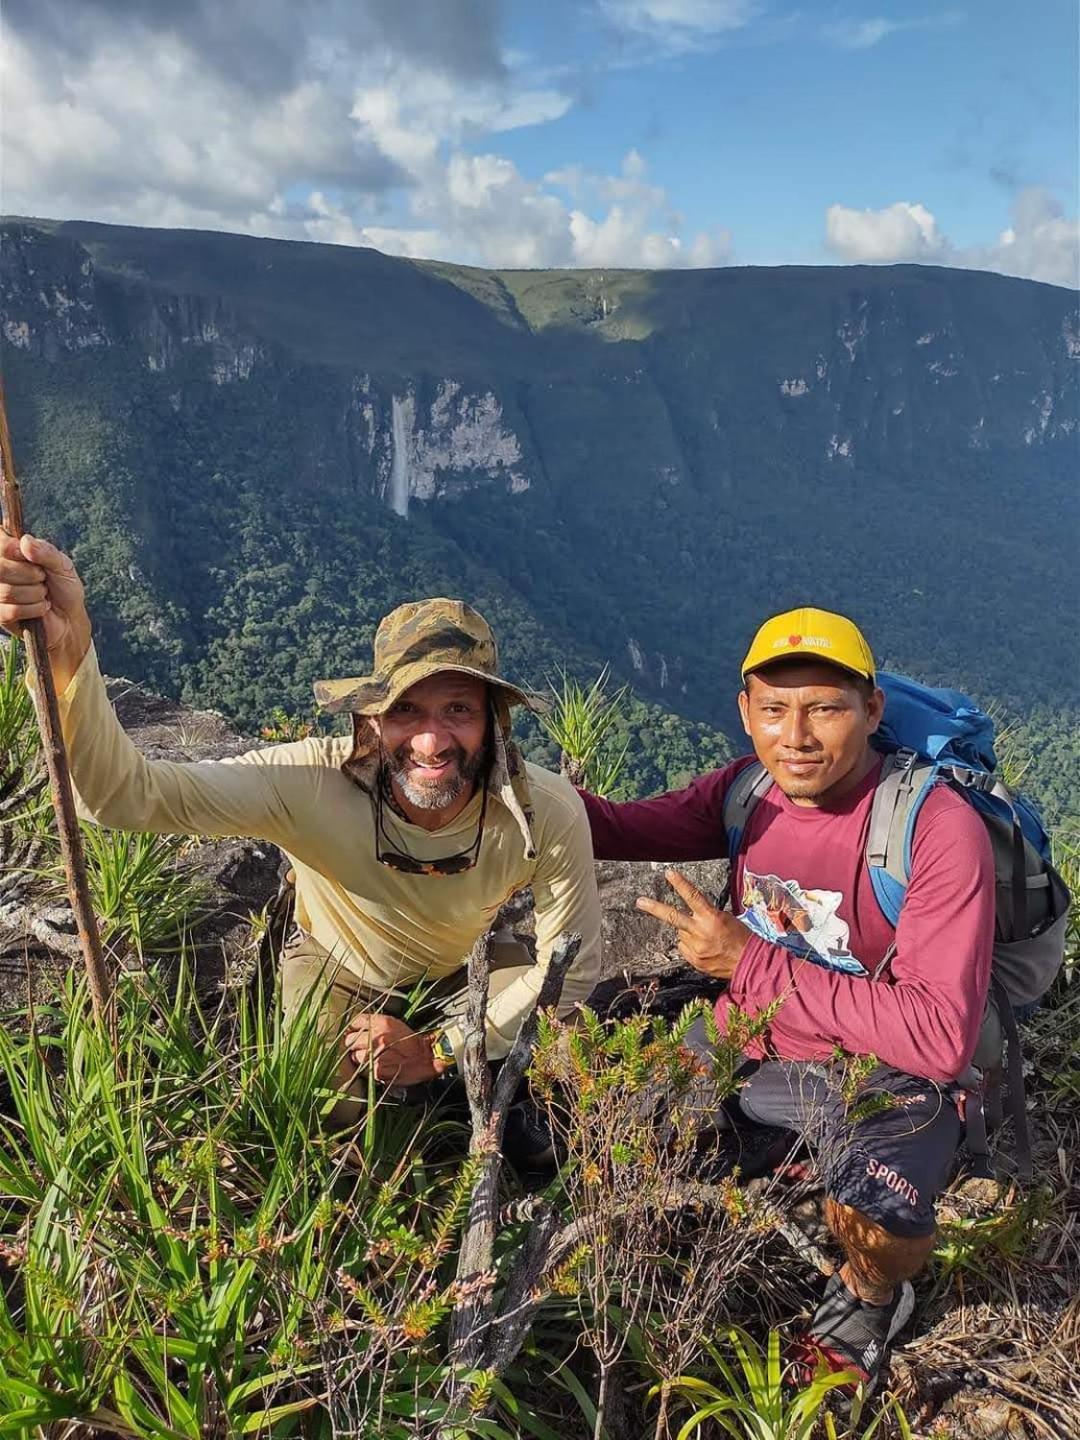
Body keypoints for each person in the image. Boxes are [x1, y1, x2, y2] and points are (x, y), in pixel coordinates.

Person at [0, 528, 602, 1136]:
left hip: (460, 970)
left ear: (493, 721)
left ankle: (468, 1125)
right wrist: (67, 650)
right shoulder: (310, 784)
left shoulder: (541, 811)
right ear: (371, 718)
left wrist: (437, 1050)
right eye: (405, 710)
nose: (431, 741)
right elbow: (119, 795)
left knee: (558, 1054)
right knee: (325, 1112)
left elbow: (569, 971)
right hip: (338, 965)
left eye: (458, 711)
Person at [582, 607, 995, 1390]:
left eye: (826, 708)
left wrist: (749, 962)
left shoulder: (934, 828)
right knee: (599, 1141)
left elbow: (941, 1035)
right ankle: (774, 1165)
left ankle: (873, 1295)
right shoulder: (747, 792)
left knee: (878, 1209)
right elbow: (615, 827)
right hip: (748, 1047)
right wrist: (502, 782)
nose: (796, 735)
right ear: (745, 713)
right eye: (773, 709)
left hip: (881, 1076)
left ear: (873, 711)